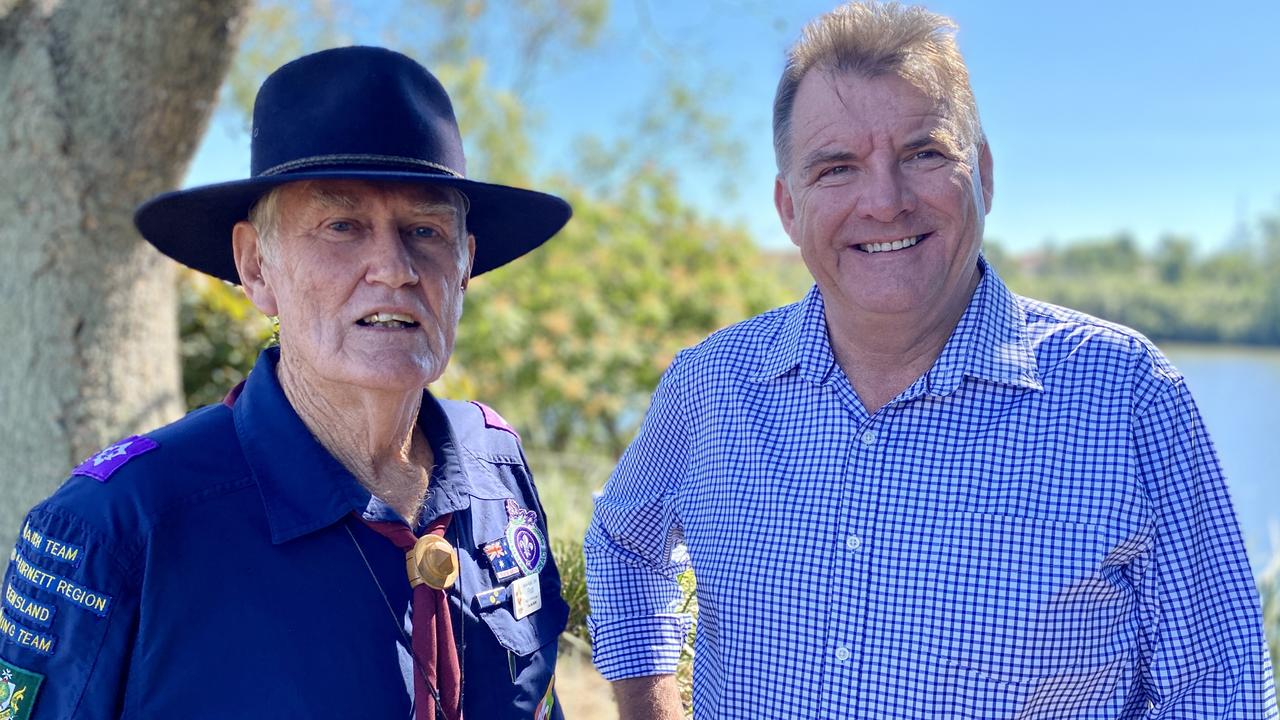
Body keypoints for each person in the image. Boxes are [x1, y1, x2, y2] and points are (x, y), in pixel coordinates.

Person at [584, 3, 1278, 718]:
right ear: (789, 207)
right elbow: (619, 540)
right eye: (837, 167)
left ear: (982, 171)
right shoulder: (712, 385)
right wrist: (648, 703)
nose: (883, 201)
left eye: (924, 153)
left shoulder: (1129, 397)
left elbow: (1220, 692)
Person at [0, 46, 571, 719]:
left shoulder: (494, 465)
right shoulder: (122, 524)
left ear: (465, 264)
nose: (394, 267)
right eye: (341, 226)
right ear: (256, 267)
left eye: (426, 230)